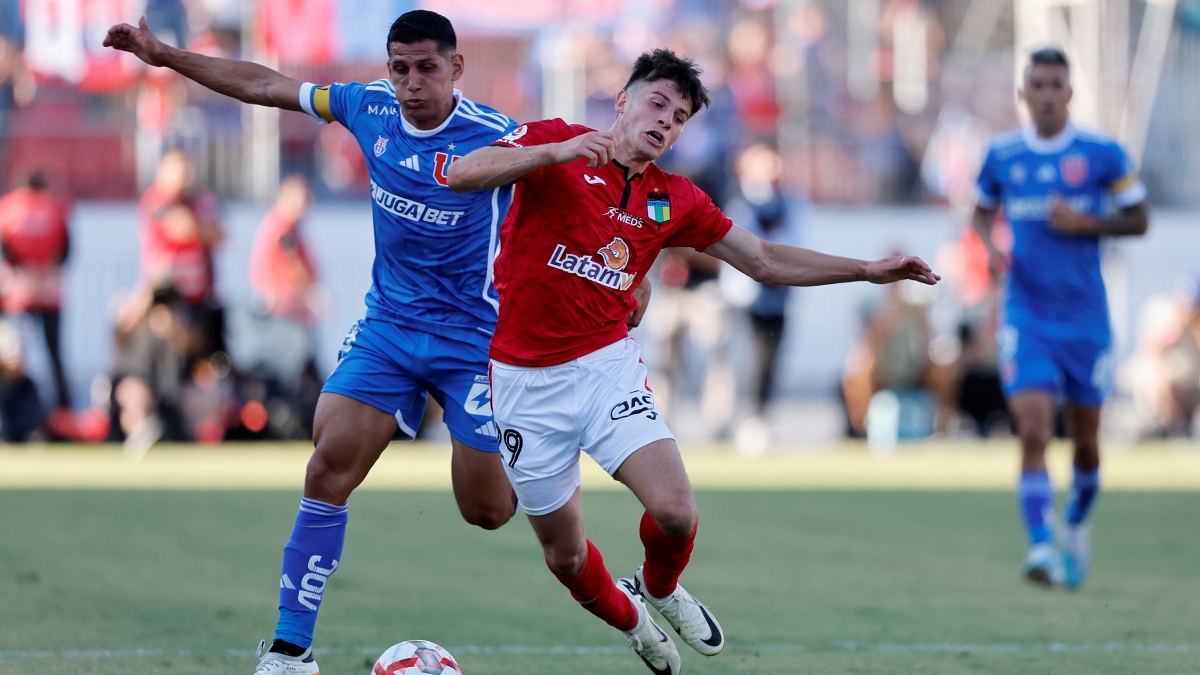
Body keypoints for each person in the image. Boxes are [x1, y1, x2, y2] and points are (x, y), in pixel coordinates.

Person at [104, 11, 650, 675]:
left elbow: (589, 211)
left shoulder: (497, 138)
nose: (411, 83)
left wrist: (629, 283)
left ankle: (567, 493)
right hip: (389, 326)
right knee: (326, 464)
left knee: (487, 510)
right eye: (400, 68)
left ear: (455, 68)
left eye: (426, 68)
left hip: (475, 339)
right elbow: (265, 84)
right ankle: (289, 648)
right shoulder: (367, 106)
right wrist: (165, 56)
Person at [448, 49, 938, 674]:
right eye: (657, 104)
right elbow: (464, 172)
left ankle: (657, 588)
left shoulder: (672, 198)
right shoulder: (558, 143)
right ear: (622, 100)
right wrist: (553, 154)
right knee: (566, 558)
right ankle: (633, 621)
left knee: (677, 512)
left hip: (605, 369)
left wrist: (866, 270)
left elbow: (761, 259)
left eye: (679, 117)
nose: (665, 122)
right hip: (522, 382)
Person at [971, 47, 1149, 589]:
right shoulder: (1001, 155)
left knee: (1087, 441)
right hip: (1027, 315)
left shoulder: (1102, 153)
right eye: (1037, 85)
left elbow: (1139, 219)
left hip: (1086, 320)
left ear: (1069, 93)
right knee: (1033, 428)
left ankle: (1074, 524)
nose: (1047, 94)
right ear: (1023, 93)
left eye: (1056, 85)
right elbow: (979, 214)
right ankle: (1041, 546)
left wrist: (1087, 223)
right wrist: (991, 250)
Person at [0, 170, 71, 411]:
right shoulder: (55, 208)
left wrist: (24, 272)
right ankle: (63, 409)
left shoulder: (8, 208)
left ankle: (16, 409)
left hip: (18, 292)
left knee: (14, 355)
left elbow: (5, 249)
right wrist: (44, 270)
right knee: (53, 354)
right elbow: (66, 251)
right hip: (48, 290)